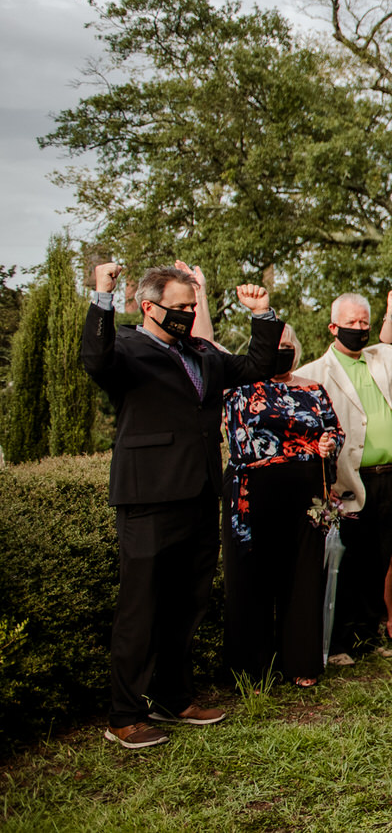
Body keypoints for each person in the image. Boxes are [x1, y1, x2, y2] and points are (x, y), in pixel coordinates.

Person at [82, 262, 282, 749]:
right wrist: (102, 295)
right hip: (148, 497)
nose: (189, 315)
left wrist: (262, 314)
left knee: (185, 604)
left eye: (193, 307)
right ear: (148, 307)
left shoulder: (203, 354)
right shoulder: (125, 349)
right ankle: (124, 716)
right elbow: (95, 358)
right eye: (180, 307)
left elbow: (256, 367)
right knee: (141, 607)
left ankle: (174, 698)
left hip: (199, 493)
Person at [296, 280, 392, 659]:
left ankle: (366, 638)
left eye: (365, 321)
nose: (361, 328)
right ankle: (338, 643)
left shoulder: (385, 355)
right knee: (348, 563)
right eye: (352, 322)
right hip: (349, 482)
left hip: (391, 478)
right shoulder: (315, 373)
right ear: (333, 328)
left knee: (380, 561)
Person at [221, 323, 343, 689]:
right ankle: (251, 670)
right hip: (251, 493)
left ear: (297, 349)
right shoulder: (238, 387)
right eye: (273, 343)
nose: (281, 349)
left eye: (287, 343)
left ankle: (301, 661)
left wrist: (328, 443)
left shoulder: (313, 389)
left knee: (304, 576)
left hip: (306, 496)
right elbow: (206, 343)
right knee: (250, 576)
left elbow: (334, 430)